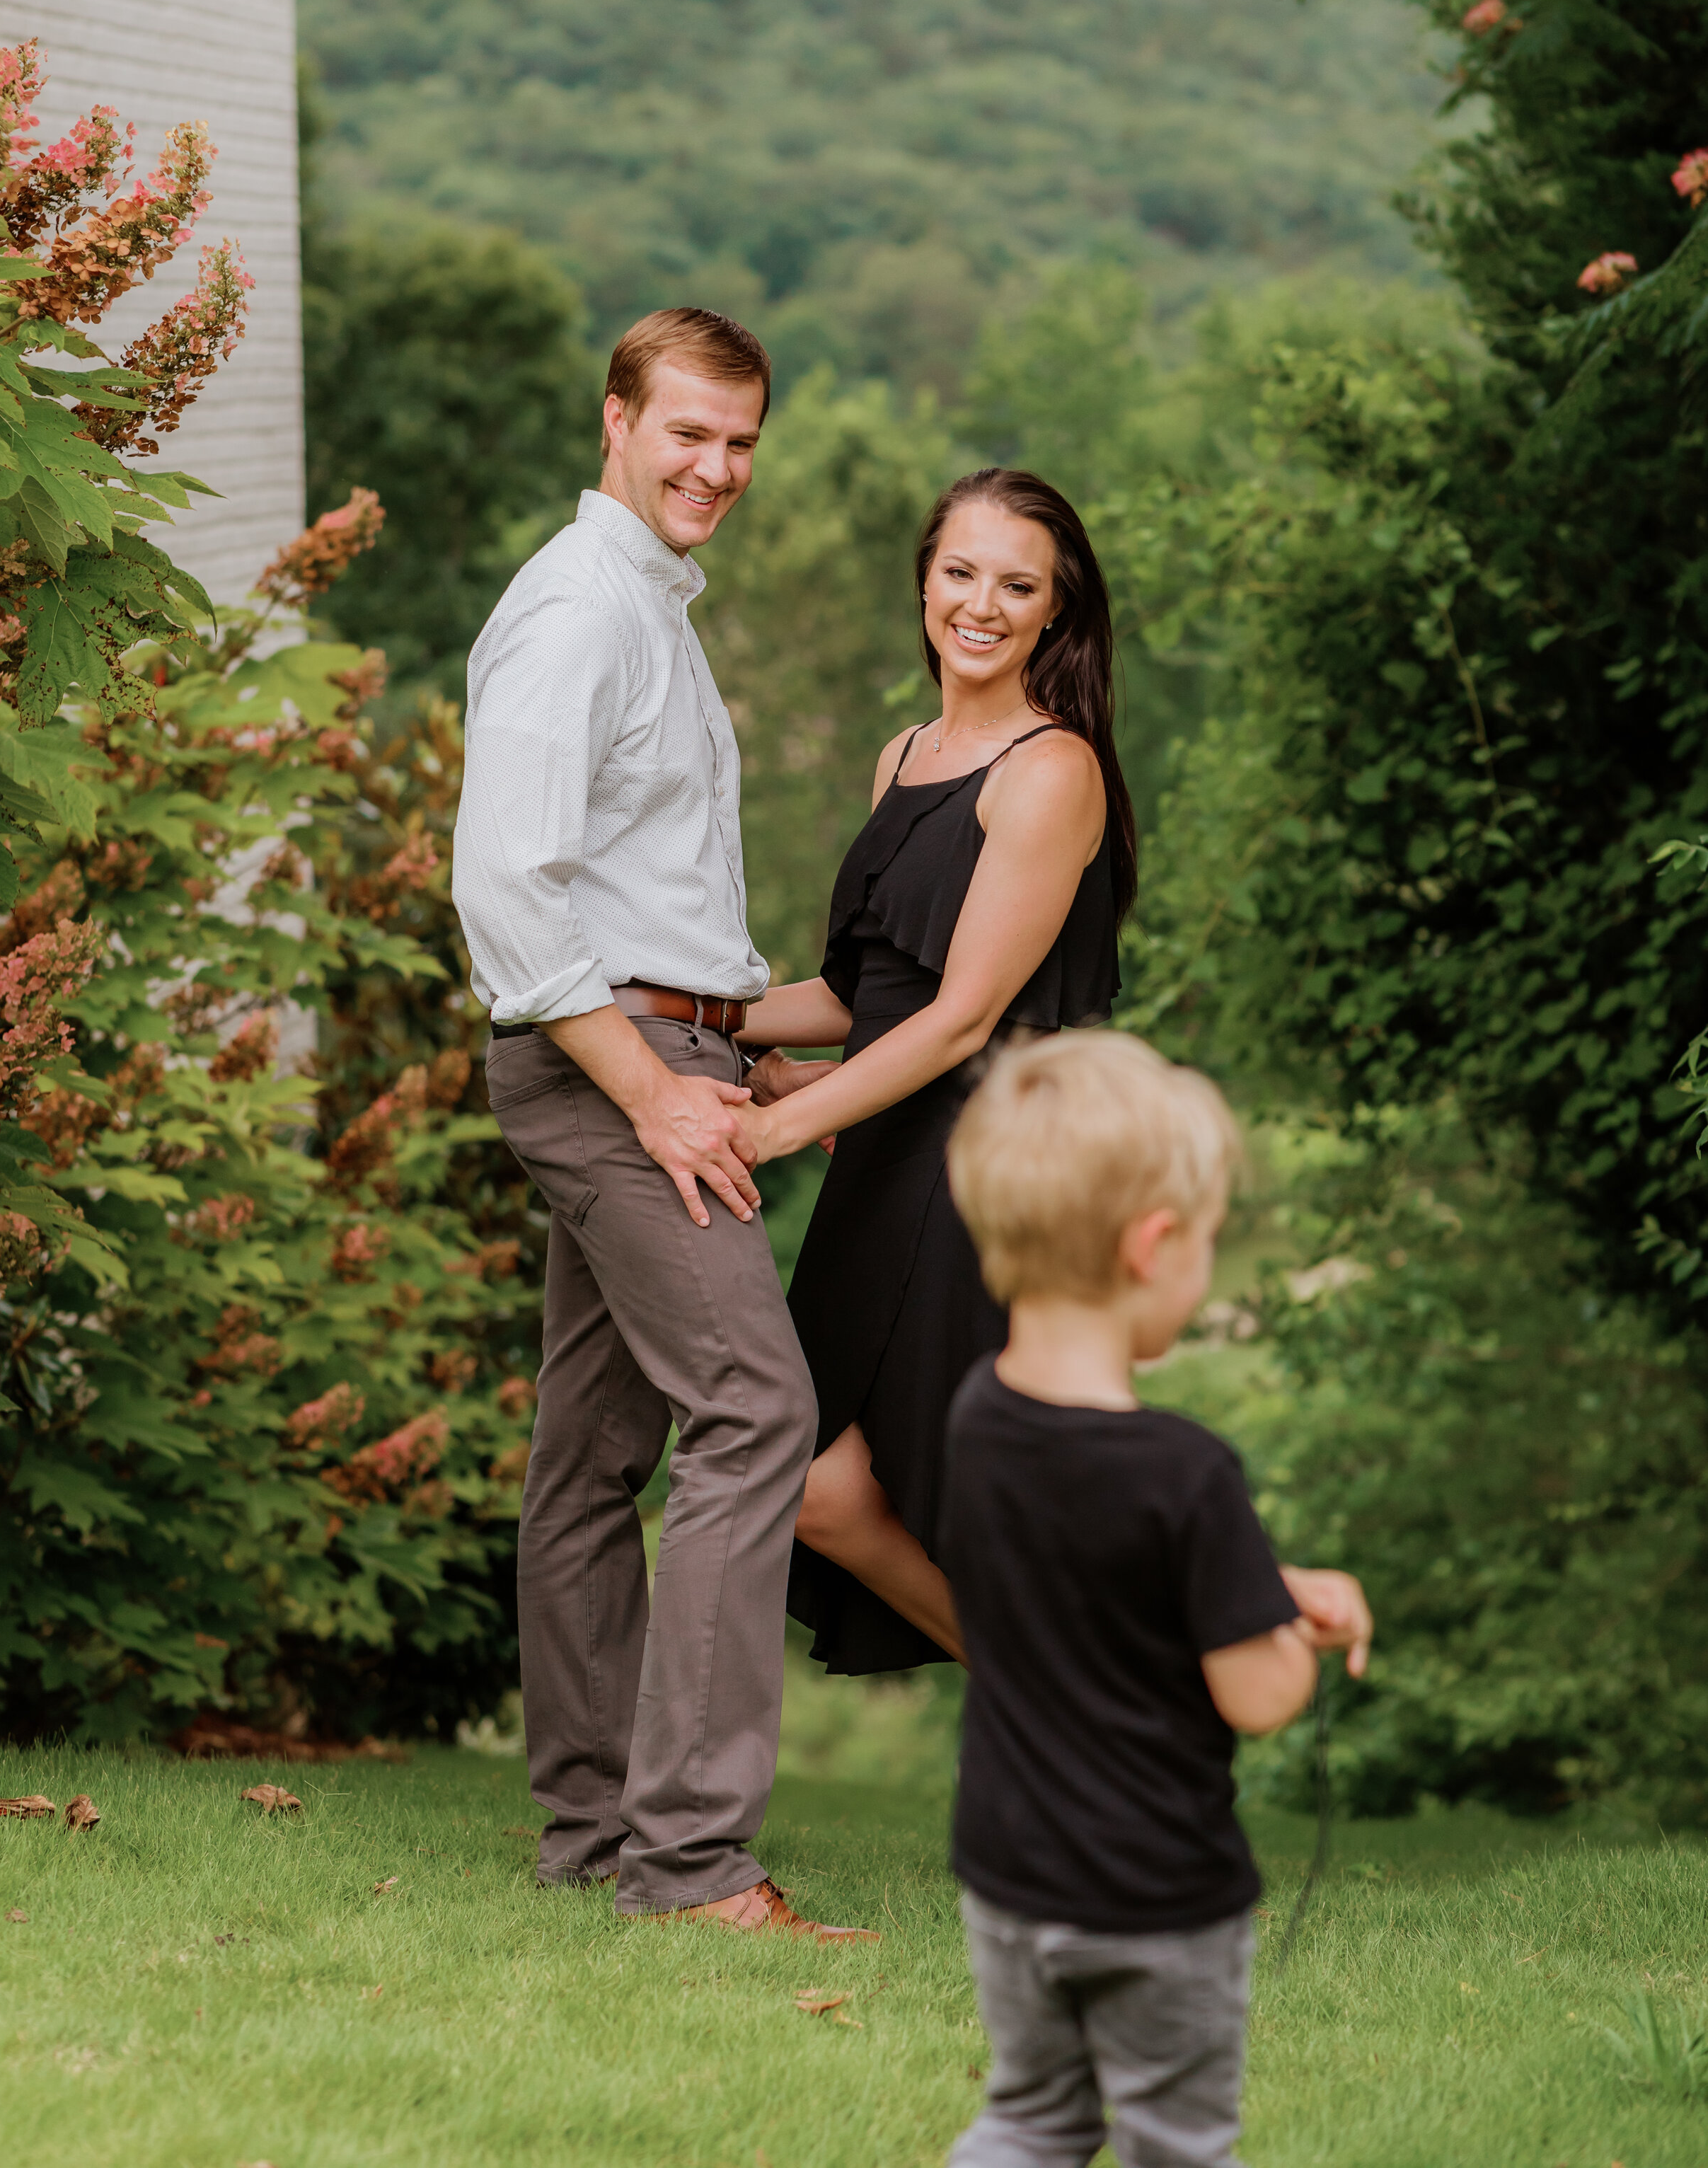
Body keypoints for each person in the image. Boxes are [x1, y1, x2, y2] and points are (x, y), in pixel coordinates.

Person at [451, 306, 872, 1942]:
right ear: (614, 417)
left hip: (649, 1051)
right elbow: (508, 887)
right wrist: (652, 1087)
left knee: (593, 1455)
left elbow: (643, 894)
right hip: (601, 1068)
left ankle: (588, 1839)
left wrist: (724, 1053)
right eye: (688, 430)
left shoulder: (648, 610)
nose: (717, 466)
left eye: (741, 440)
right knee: (757, 1411)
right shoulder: (576, 614)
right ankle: (689, 1866)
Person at [937, 1031, 1373, 2168]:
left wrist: (1256, 1587)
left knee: (1030, 2120)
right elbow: (1260, 1694)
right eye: (1210, 1244)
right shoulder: (1187, 1471)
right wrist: (1293, 1637)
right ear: (1154, 1246)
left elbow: (1092, 1572)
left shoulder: (978, 1418)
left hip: (1009, 1872)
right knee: (1178, 2142)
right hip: (1156, 1896)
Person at [730, 468, 1136, 1671]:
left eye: (1020, 585)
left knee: (871, 1487)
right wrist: (702, 1017)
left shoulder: (1052, 770)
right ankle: (1068, 1713)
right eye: (961, 573)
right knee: (824, 1483)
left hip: (972, 1174)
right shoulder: (903, 753)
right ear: (923, 582)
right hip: (889, 1162)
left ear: (1055, 612)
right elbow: (864, 995)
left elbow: (962, 1020)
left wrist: (776, 1130)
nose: (983, 604)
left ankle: (1090, 1716)